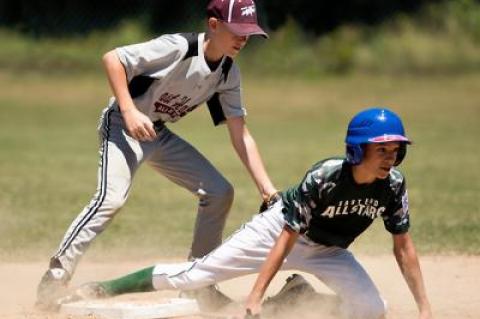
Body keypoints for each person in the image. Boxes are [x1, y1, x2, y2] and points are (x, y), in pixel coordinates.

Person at [57, 108, 433, 319]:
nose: (390, 156)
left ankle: (295, 298)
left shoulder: (393, 185)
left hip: (331, 252)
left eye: (395, 149)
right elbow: (286, 237)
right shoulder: (326, 177)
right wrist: (254, 296)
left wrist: (425, 309)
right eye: (381, 148)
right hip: (278, 232)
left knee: (372, 310)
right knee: (194, 276)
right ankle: (102, 289)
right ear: (357, 150)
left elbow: (404, 248)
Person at [36, 0, 279, 310]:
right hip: (122, 124)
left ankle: (198, 285)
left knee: (220, 192)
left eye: (249, 33)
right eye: (238, 30)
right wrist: (129, 110)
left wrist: (267, 189)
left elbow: (240, 132)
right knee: (111, 199)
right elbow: (113, 59)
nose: (243, 39)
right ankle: (55, 277)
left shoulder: (228, 73)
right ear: (214, 25)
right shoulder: (178, 47)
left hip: (157, 132)